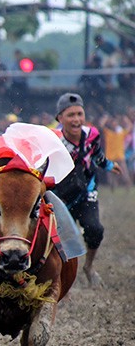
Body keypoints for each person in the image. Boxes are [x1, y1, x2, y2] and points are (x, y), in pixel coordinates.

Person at [52, 93, 122, 287]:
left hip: (86, 190)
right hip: (61, 195)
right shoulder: (53, 140)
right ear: (60, 118)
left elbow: (97, 155)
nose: (76, 119)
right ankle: (59, 278)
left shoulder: (92, 134)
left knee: (94, 229)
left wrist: (108, 165)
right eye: (70, 115)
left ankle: (89, 267)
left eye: (79, 114)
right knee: (59, 238)